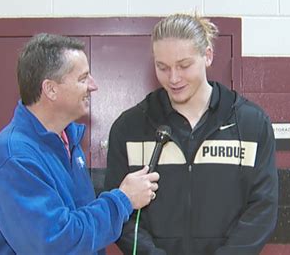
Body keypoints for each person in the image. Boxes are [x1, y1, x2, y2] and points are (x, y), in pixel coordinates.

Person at [104, 13, 278, 255]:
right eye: (162, 67)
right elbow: (120, 212)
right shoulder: (129, 127)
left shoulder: (251, 123)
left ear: (207, 56)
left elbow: (263, 209)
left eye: (184, 66)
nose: (173, 78)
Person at [0, 33, 160, 255]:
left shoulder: (68, 144)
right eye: (83, 78)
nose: (93, 85)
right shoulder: (13, 158)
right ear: (51, 89)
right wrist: (122, 201)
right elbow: (55, 243)